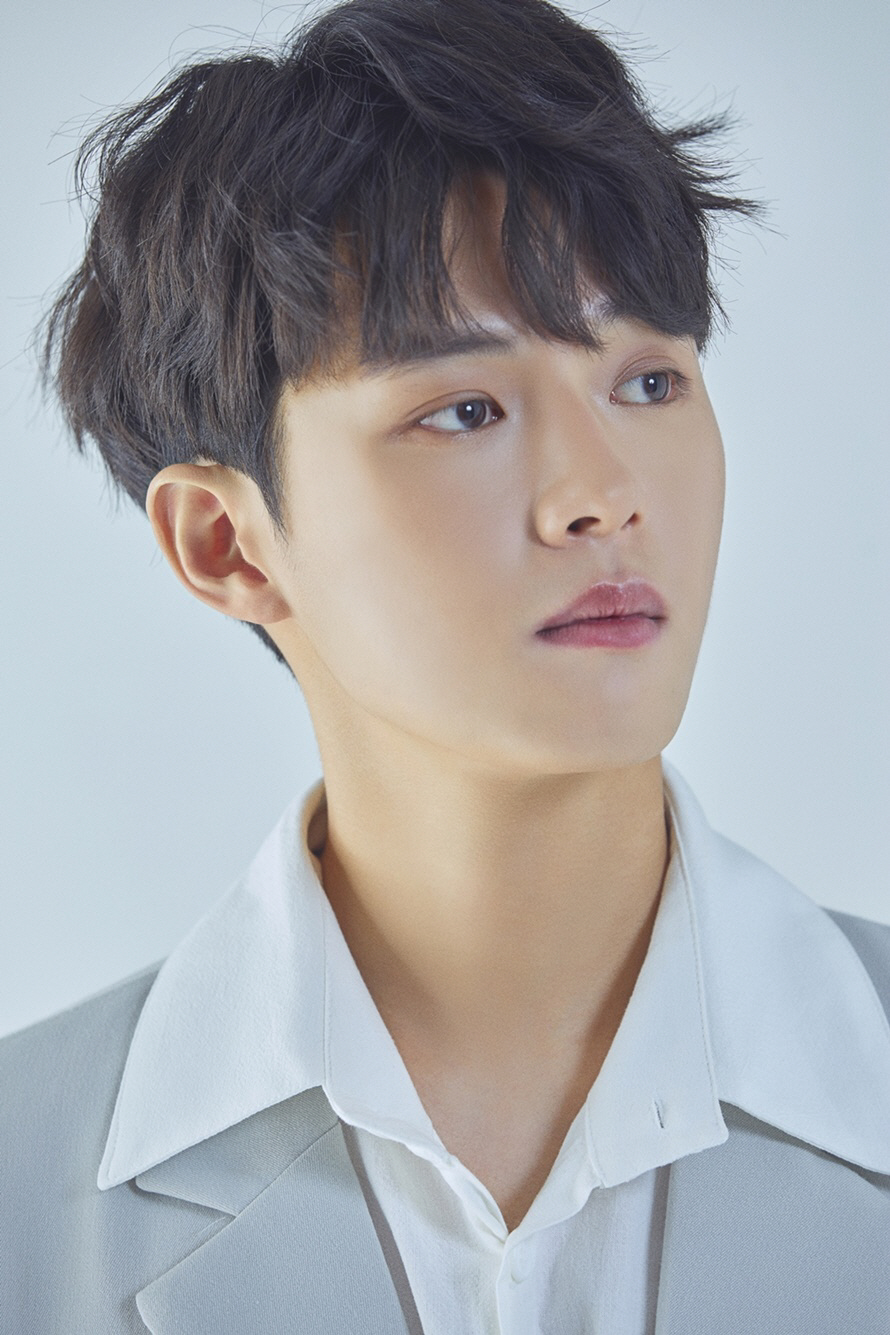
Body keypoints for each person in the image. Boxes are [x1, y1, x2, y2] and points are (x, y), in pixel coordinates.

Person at [2, 0, 889, 1330]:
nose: (601, 494)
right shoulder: (23, 1183)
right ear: (228, 543)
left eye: (648, 382)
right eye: (465, 410)